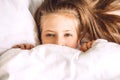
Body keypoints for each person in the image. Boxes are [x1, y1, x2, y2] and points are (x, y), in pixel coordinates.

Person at [12, 0, 120, 52]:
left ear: (79, 37)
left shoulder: (86, 51)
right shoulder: (37, 52)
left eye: (67, 34)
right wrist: (26, 52)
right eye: (49, 35)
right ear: (40, 36)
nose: (59, 43)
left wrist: (95, 49)